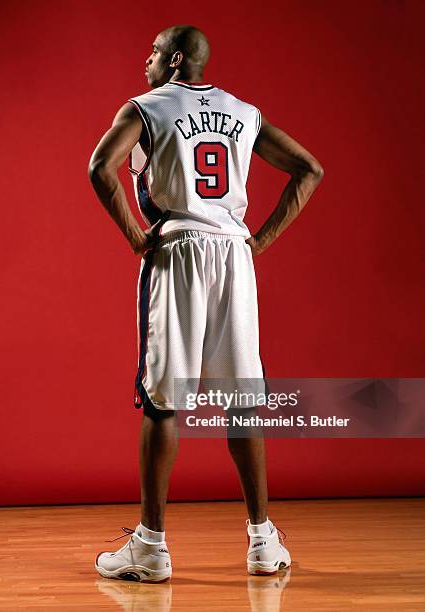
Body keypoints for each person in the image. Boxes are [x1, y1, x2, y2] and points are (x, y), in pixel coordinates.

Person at [88, 24, 323, 583]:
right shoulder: (243, 112)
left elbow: (100, 167)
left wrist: (132, 234)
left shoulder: (147, 107)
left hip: (179, 248)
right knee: (243, 398)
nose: (143, 60)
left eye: (151, 51)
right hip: (232, 253)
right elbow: (308, 169)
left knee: (165, 399)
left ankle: (150, 547)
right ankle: (263, 541)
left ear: (172, 61)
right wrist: (257, 241)